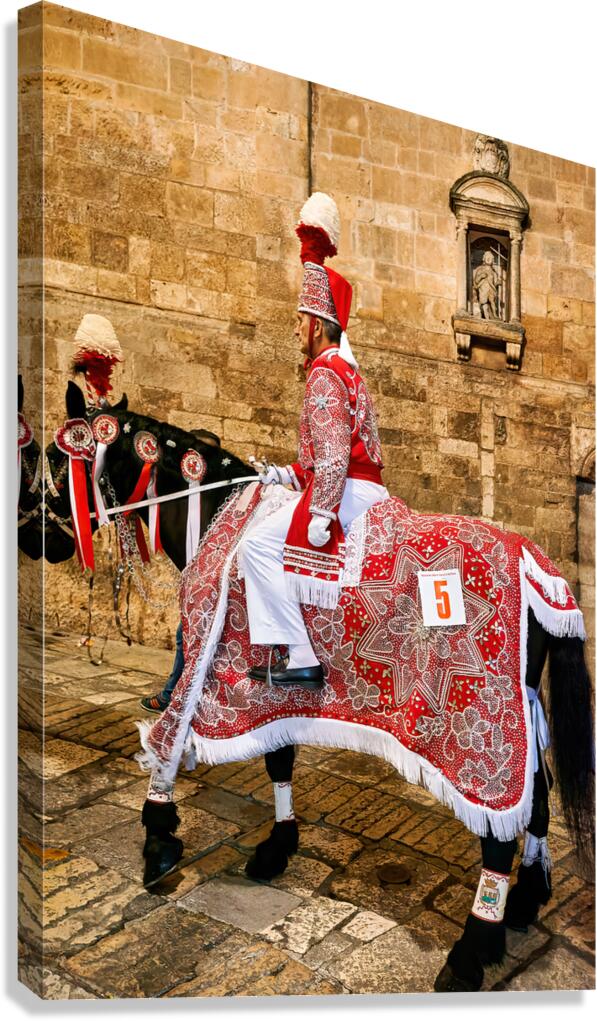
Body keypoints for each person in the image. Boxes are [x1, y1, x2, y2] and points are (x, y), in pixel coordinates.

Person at [238, 192, 389, 691]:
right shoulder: (345, 369)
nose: (296, 328)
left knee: (257, 546)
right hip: (360, 485)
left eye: (301, 320)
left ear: (320, 325)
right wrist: (284, 474)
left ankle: (300, 655)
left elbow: (331, 459)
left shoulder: (326, 372)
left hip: (347, 492)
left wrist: (320, 515)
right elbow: (330, 451)